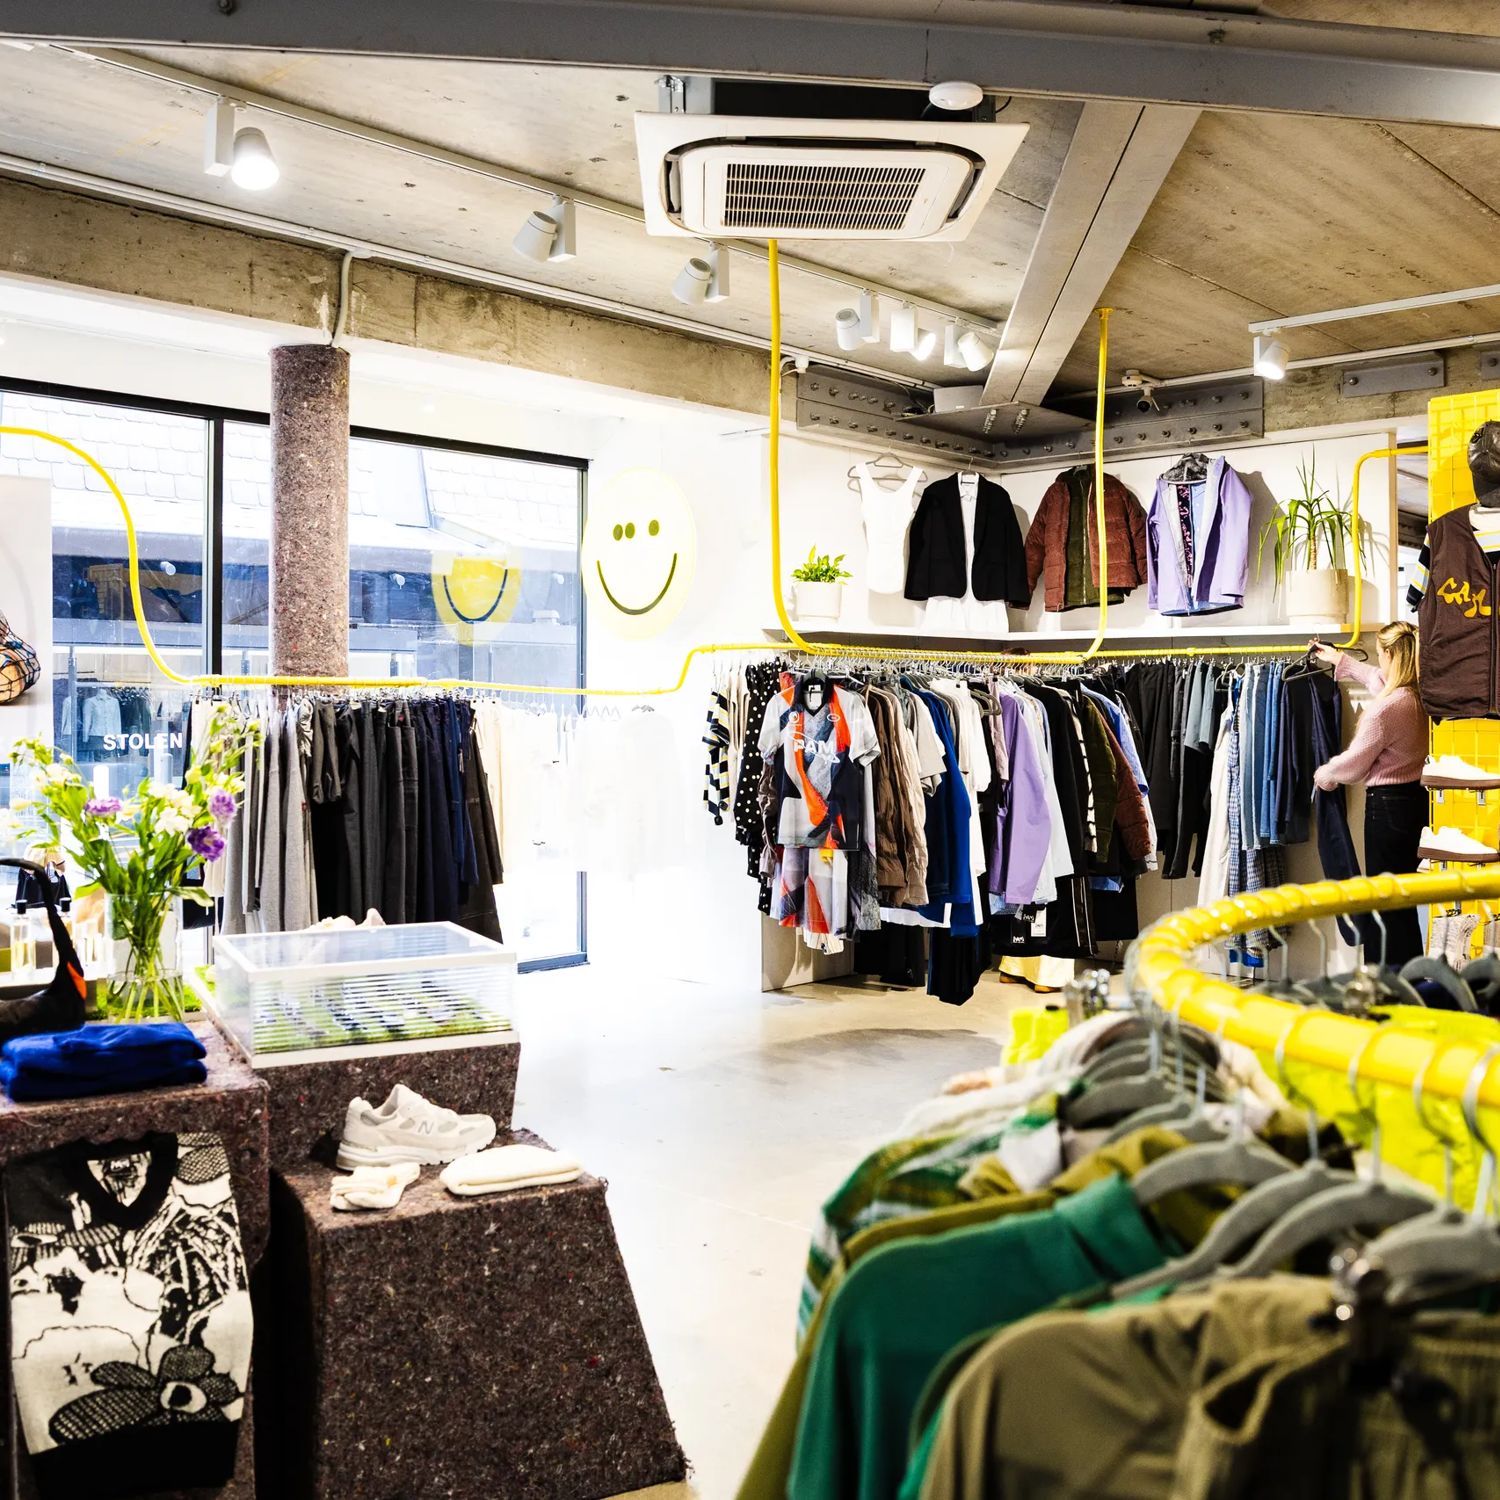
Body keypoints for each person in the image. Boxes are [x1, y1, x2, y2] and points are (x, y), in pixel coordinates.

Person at [1311, 621, 1428, 966]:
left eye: (1380, 653)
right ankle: (1410, 981)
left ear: (1390, 654)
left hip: (1386, 811)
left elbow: (1356, 763)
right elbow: (1377, 678)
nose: (1378, 660)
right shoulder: (1418, 696)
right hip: (1415, 805)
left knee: (1383, 902)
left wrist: (1324, 775)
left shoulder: (1385, 709)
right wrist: (1340, 661)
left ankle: (1385, 987)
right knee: (1402, 899)